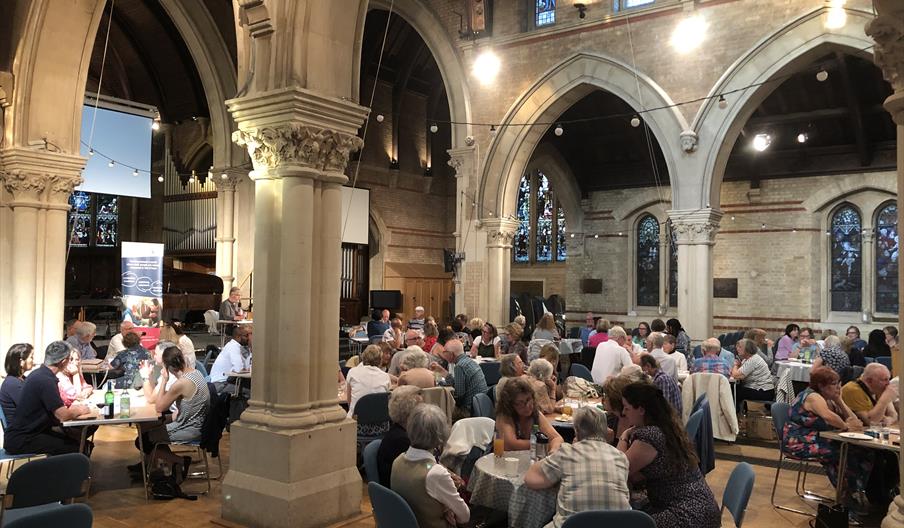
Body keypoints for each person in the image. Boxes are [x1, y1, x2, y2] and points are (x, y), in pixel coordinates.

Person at [617, 382, 721, 528]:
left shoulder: (649, 436)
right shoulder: (666, 428)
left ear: (641, 409)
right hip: (703, 509)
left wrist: (624, 436)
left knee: (625, 522)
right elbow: (639, 475)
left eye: (626, 408)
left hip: (686, 515)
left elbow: (618, 469)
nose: (623, 412)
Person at [784, 367, 872, 514]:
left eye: (839, 383)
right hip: (799, 441)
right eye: (834, 384)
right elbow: (828, 417)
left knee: (865, 452)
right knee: (842, 454)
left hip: (818, 439)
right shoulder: (813, 396)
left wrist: (839, 400)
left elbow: (854, 421)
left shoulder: (829, 399)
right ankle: (848, 500)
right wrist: (846, 426)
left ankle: (857, 491)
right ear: (821, 385)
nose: (838, 387)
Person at [524, 406, 630, 528]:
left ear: (576, 430)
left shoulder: (567, 452)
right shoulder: (621, 457)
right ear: (606, 431)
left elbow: (531, 479)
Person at [3, 341, 92, 455]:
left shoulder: (39, 375)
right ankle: (70, 472)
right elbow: (62, 415)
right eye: (69, 359)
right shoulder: (45, 380)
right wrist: (80, 409)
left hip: (28, 434)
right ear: (63, 362)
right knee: (76, 447)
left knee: (77, 441)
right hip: (23, 439)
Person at [391, 404, 469, 528]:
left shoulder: (397, 461)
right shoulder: (436, 473)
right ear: (440, 436)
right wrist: (447, 508)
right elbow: (465, 516)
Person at [137, 346, 210, 479]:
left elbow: (159, 407)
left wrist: (164, 379)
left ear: (168, 367)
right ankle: (170, 465)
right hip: (199, 423)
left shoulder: (181, 383)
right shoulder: (196, 373)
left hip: (189, 428)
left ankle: (180, 461)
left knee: (143, 441)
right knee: (150, 427)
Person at [495, 377, 563, 452]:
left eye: (528, 399)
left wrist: (553, 450)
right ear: (510, 405)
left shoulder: (535, 414)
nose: (527, 406)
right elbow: (511, 445)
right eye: (520, 403)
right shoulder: (504, 415)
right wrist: (543, 444)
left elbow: (557, 438)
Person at [377, 386, 423, 487]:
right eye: (421, 410)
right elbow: (422, 472)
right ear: (410, 414)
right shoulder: (402, 441)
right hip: (401, 494)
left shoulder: (398, 432)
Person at [431, 339, 487, 419]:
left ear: (451, 354)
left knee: (437, 409)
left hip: (468, 411)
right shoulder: (469, 362)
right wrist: (442, 371)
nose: (443, 354)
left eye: (445, 352)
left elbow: (459, 396)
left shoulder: (459, 366)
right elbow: (458, 384)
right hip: (480, 406)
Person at [345, 345, 391, 418]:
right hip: (379, 422)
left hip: (356, 421)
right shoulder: (385, 376)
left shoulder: (352, 372)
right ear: (380, 360)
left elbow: (349, 400)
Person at [731, 338, 775, 413]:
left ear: (748, 349)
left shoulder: (753, 360)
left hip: (764, 392)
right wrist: (737, 368)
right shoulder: (747, 359)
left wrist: (735, 365)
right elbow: (738, 373)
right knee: (735, 388)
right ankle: (738, 412)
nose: (737, 349)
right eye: (737, 347)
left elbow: (737, 375)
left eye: (740, 347)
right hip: (759, 389)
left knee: (734, 390)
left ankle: (735, 414)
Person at [209, 325, 252, 394]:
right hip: (221, 384)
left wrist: (250, 347)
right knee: (252, 392)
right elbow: (239, 369)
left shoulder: (240, 347)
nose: (248, 338)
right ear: (238, 337)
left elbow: (248, 364)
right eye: (246, 336)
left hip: (228, 381)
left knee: (251, 386)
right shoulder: (233, 347)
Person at [1, 343, 34, 423]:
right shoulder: (12, 384)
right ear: (21, 362)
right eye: (31, 357)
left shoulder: (21, 379)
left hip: (27, 428)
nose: (33, 360)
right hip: (20, 432)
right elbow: (31, 408)